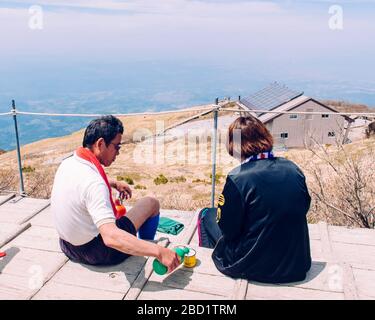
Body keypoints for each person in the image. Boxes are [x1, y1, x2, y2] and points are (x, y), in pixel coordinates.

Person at [51, 115, 180, 272]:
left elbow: (82, 185)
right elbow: (111, 237)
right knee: (151, 202)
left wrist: (112, 183)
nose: (118, 153)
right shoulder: (94, 183)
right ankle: (147, 244)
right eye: (117, 147)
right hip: (98, 253)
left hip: (67, 245)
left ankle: (141, 243)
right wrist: (160, 252)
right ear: (100, 144)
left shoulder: (69, 163)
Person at [198, 116, 311, 283]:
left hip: (252, 266)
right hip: (297, 265)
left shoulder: (238, 178)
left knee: (206, 215)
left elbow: (228, 228)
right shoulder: (293, 169)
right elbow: (304, 206)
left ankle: (208, 276)